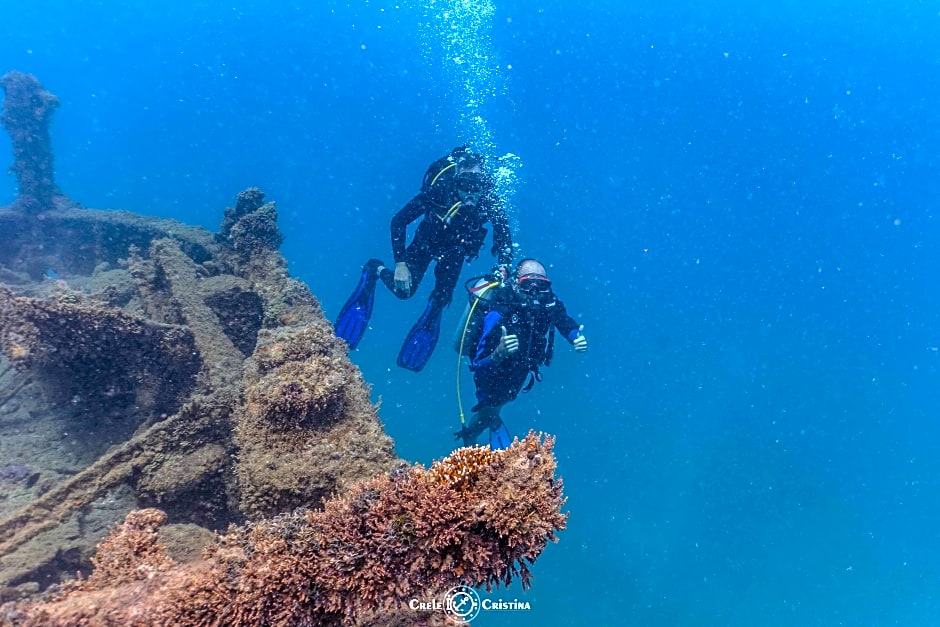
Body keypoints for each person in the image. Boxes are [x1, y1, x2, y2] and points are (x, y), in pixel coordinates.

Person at [334, 145, 513, 372]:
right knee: (404, 292)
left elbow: (505, 240)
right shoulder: (439, 190)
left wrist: (504, 267)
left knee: (441, 301)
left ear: (484, 182)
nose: (470, 193)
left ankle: (431, 317)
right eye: (465, 184)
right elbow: (399, 221)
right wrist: (399, 264)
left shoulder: (489, 201)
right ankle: (374, 269)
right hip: (425, 244)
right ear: (456, 178)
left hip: (455, 255)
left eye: (476, 185)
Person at [454, 258, 588, 449]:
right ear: (516, 284)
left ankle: (483, 426)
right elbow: (477, 367)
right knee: (489, 409)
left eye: (541, 285)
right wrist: (498, 353)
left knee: (497, 406)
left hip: (521, 368)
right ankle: (470, 438)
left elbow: (562, 318)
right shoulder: (500, 309)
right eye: (528, 284)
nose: (535, 292)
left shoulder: (548, 302)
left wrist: (574, 336)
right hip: (492, 371)